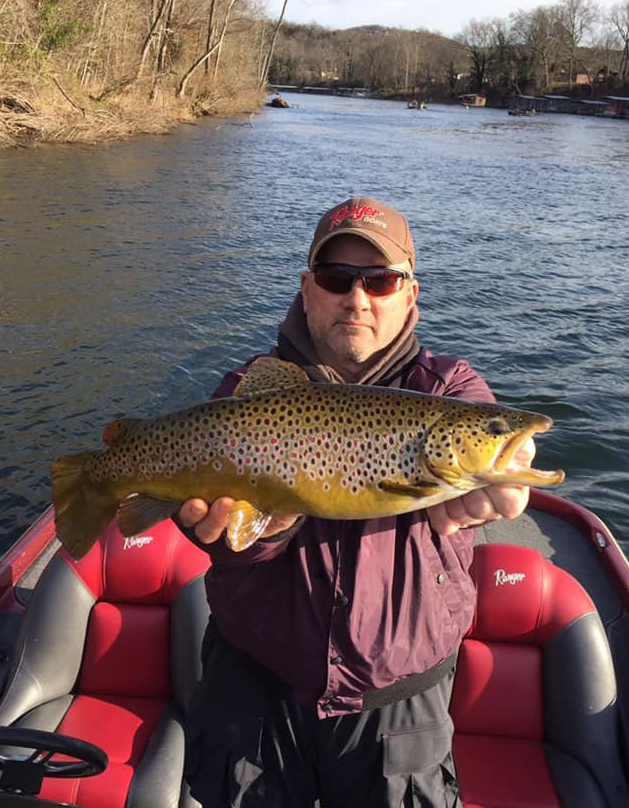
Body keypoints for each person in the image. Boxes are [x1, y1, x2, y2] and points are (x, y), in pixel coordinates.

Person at [176, 197, 534, 808]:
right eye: (338, 279)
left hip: (400, 702)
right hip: (255, 689)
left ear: (410, 295)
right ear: (307, 289)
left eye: (381, 280)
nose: (358, 298)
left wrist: (503, 488)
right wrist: (256, 529)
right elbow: (223, 547)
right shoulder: (244, 395)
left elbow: (505, 465)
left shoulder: (450, 391)